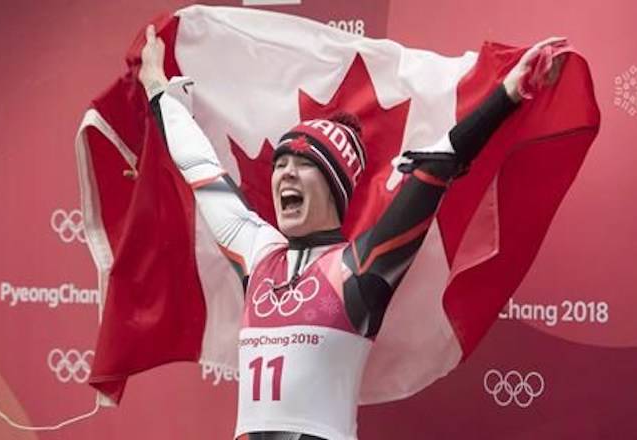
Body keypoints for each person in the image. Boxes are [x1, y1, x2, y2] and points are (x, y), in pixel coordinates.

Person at [138, 24, 564, 440]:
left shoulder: (359, 269)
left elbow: (435, 168)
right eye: (280, 163)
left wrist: (508, 94)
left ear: (333, 184)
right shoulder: (257, 253)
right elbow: (200, 168)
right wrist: (158, 89)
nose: (284, 172)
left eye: (302, 163)